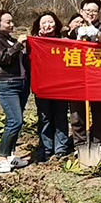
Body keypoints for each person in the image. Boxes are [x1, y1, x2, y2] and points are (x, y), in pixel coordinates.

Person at [0, 10, 30, 174]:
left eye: (12, 21)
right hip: (6, 85)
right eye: (8, 22)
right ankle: (1, 158)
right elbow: (3, 59)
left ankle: (10, 156)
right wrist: (19, 45)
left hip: (21, 84)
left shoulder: (9, 40)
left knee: (19, 120)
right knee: (14, 121)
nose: (12, 24)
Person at [68, 0, 101, 153]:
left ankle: (99, 142)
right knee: (77, 113)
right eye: (88, 10)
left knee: (99, 111)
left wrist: (96, 34)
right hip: (78, 78)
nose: (91, 13)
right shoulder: (75, 30)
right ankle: (80, 144)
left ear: (99, 13)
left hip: (99, 77)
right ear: (81, 12)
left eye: (94, 11)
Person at [30, 11, 69, 162]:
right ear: (39, 26)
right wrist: (39, 39)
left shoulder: (64, 41)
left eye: (50, 22)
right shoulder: (35, 41)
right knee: (44, 117)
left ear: (56, 23)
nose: (48, 25)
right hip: (42, 86)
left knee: (61, 116)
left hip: (61, 86)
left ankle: (61, 148)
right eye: (44, 23)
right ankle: (45, 147)